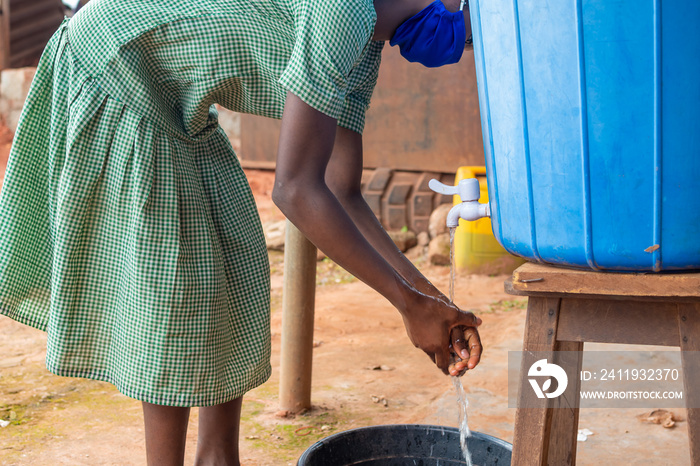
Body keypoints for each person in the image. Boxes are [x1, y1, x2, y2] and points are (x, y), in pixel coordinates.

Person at [0, 0, 482, 463]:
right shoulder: (343, 10)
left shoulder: (365, 37)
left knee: (236, 254)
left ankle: (217, 457)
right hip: (114, 66)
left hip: (172, 97)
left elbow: (342, 190)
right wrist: (409, 305)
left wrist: (428, 301)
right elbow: (295, 190)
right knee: (178, 276)